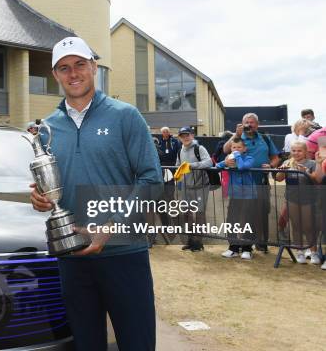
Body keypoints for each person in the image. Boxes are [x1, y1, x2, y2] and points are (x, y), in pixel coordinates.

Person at [30, 36, 162, 351]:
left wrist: (112, 226)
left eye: (79, 64)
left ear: (94, 67)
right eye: (64, 68)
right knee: (86, 344)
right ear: (55, 75)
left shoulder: (125, 115)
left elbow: (151, 177)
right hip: (72, 256)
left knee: (137, 343)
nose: (73, 74)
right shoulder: (48, 127)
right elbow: (50, 187)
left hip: (124, 254)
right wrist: (40, 199)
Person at [223, 113, 279, 251]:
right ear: (242, 124)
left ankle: (260, 243)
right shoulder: (237, 137)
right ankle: (235, 244)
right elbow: (225, 150)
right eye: (246, 122)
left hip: (261, 182)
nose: (249, 124)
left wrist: (271, 165)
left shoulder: (265, 138)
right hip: (240, 183)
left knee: (260, 213)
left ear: (257, 124)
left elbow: (276, 157)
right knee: (236, 214)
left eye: (252, 122)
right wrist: (235, 134)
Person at [275, 141, 320, 265]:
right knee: (296, 225)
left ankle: (313, 252)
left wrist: (306, 172)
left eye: (299, 150)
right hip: (292, 198)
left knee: (308, 226)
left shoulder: (312, 163)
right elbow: (278, 178)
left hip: (308, 199)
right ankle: (300, 252)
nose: (296, 153)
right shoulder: (287, 162)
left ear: (305, 152)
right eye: (294, 150)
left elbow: (317, 180)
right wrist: (282, 170)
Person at [216, 137, 257, 259]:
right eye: (234, 147)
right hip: (235, 194)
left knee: (248, 221)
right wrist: (225, 163)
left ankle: (247, 248)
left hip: (249, 195)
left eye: (239, 147)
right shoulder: (229, 158)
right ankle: (233, 248)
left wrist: (236, 156)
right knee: (232, 221)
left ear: (245, 148)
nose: (236, 150)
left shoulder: (249, 158)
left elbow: (243, 167)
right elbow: (218, 166)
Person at [175, 126, 212, 251]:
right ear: (179, 138)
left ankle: (198, 242)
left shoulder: (199, 148)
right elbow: (178, 166)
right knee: (187, 214)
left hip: (200, 186)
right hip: (186, 187)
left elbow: (209, 162)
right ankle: (190, 240)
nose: (185, 137)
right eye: (182, 135)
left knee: (199, 214)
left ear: (192, 135)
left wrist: (191, 166)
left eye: (187, 134)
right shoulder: (180, 150)